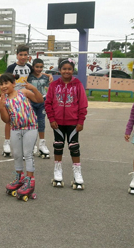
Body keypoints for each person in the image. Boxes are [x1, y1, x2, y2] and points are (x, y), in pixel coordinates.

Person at [0, 73, 43, 201]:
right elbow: (6, 119)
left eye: (6, 83)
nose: (3, 86)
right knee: (17, 154)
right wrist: (1, 107)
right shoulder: (3, 99)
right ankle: (20, 177)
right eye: (1, 84)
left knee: (28, 154)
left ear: (13, 83)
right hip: (15, 129)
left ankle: (30, 180)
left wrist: (33, 88)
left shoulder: (23, 92)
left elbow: (40, 100)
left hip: (30, 127)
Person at [2, 45, 52, 157]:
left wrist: (47, 74)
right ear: (17, 55)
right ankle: (7, 142)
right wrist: (4, 95)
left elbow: (37, 72)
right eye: (21, 55)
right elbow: (4, 79)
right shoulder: (11, 67)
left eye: (25, 55)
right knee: (9, 120)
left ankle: (27, 143)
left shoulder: (29, 67)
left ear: (28, 56)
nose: (23, 57)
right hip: (12, 96)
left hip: (25, 98)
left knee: (23, 120)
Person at [45, 58, 88, 190]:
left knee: (74, 147)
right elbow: (48, 103)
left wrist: (81, 121)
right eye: (64, 69)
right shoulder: (53, 85)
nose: (67, 71)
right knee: (58, 145)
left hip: (73, 123)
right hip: (57, 122)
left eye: (69, 69)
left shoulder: (78, 85)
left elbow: (83, 104)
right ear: (60, 70)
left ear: (72, 70)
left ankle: (77, 172)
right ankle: (58, 170)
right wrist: (51, 119)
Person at [27, 58, 52, 158]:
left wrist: (48, 75)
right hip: (31, 102)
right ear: (33, 67)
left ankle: (42, 144)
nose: (39, 69)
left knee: (41, 122)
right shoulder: (28, 77)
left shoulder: (45, 78)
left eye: (41, 67)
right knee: (32, 123)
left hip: (42, 102)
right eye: (37, 67)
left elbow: (48, 86)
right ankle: (32, 144)